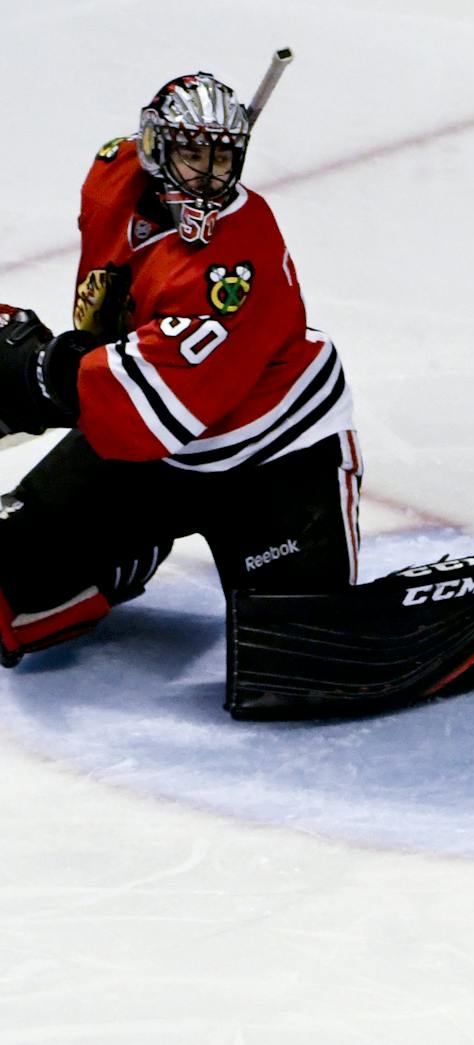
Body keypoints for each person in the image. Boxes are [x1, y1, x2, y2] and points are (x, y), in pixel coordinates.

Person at [0, 70, 361, 667]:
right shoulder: (115, 170)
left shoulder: (232, 261)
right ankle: (130, 548)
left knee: (302, 653)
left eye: (222, 158)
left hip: (269, 454)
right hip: (159, 452)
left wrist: (39, 369)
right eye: (191, 154)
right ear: (152, 147)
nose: (209, 175)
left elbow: (151, 406)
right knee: (10, 594)